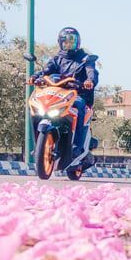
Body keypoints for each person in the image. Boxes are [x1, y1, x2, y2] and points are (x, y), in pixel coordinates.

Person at [34, 25, 99, 170]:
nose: (68, 44)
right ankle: (39, 145)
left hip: (78, 94)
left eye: (72, 41)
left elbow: (91, 72)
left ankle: (77, 146)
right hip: (58, 95)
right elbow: (45, 72)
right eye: (65, 41)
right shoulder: (57, 59)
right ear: (60, 42)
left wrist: (89, 81)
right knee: (38, 105)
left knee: (79, 104)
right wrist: (35, 76)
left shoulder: (85, 59)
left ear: (77, 42)